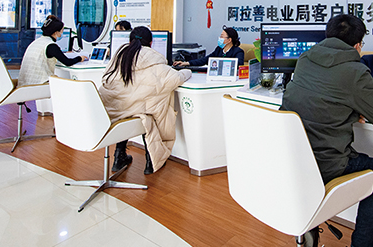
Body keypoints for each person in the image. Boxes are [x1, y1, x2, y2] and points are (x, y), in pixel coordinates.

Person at [280, 14, 373, 247]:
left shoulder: (305, 59)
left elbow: (315, 99)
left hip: (294, 159)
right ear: (358, 45)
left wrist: (348, 107)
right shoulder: (354, 71)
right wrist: (355, 107)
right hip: (326, 163)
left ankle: (313, 225)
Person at [99, 26, 192, 174]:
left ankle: (119, 156)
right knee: (149, 112)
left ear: (130, 41)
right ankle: (151, 161)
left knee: (135, 109)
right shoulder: (154, 60)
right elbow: (175, 78)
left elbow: (105, 79)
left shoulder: (119, 56)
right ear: (151, 43)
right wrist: (187, 71)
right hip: (135, 114)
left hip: (112, 112)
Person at [18, 15, 88, 86]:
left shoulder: (36, 42)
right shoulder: (51, 46)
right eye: (61, 31)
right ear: (55, 32)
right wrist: (80, 58)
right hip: (37, 85)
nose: (62, 33)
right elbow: (68, 62)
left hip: (24, 85)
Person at [173, 27, 244, 67]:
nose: (219, 38)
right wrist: (186, 63)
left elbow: (239, 65)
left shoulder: (238, 52)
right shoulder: (219, 49)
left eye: (222, 36)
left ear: (229, 40)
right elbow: (205, 60)